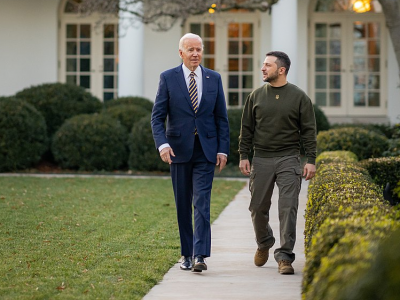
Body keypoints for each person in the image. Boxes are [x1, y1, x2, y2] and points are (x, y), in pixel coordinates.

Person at [151, 33, 230, 272]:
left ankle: (200, 256)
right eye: (190, 49)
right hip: (178, 151)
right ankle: (186, 253)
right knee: (183, 204)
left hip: (205, 152)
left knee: (202, 203)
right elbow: (157, 117)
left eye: (199, 49)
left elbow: (221, 118)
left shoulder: (213, 78)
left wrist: (223, 150)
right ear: (181, 53)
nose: (195, 53)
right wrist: (162, 144)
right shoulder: (168, 78)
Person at [238, 51, 316, 275]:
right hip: (261, 158)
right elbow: (246, 129)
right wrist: (244, 155)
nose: (262, 68)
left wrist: (310, 160)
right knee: (257, 207)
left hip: (289, 158)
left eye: (267, 65)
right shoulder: (255, 96)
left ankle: (284, 257)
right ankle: (264, 242)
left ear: (281, 70)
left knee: (288, 208)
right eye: (263, 65)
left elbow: (309, 131)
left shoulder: (299, 97)